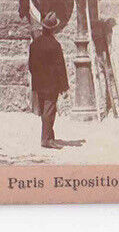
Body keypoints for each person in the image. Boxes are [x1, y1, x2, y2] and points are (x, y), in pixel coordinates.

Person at [27, 12, 69, 149]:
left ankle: (49, 136)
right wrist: (64, 86)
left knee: (44, 111)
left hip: (39, 83)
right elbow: (60, 67)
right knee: (49, 111)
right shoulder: (55, 45)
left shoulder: (34, 45)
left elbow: (31, 66)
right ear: (54, 29)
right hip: (52, 84)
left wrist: (37, 78)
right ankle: (46, 140)